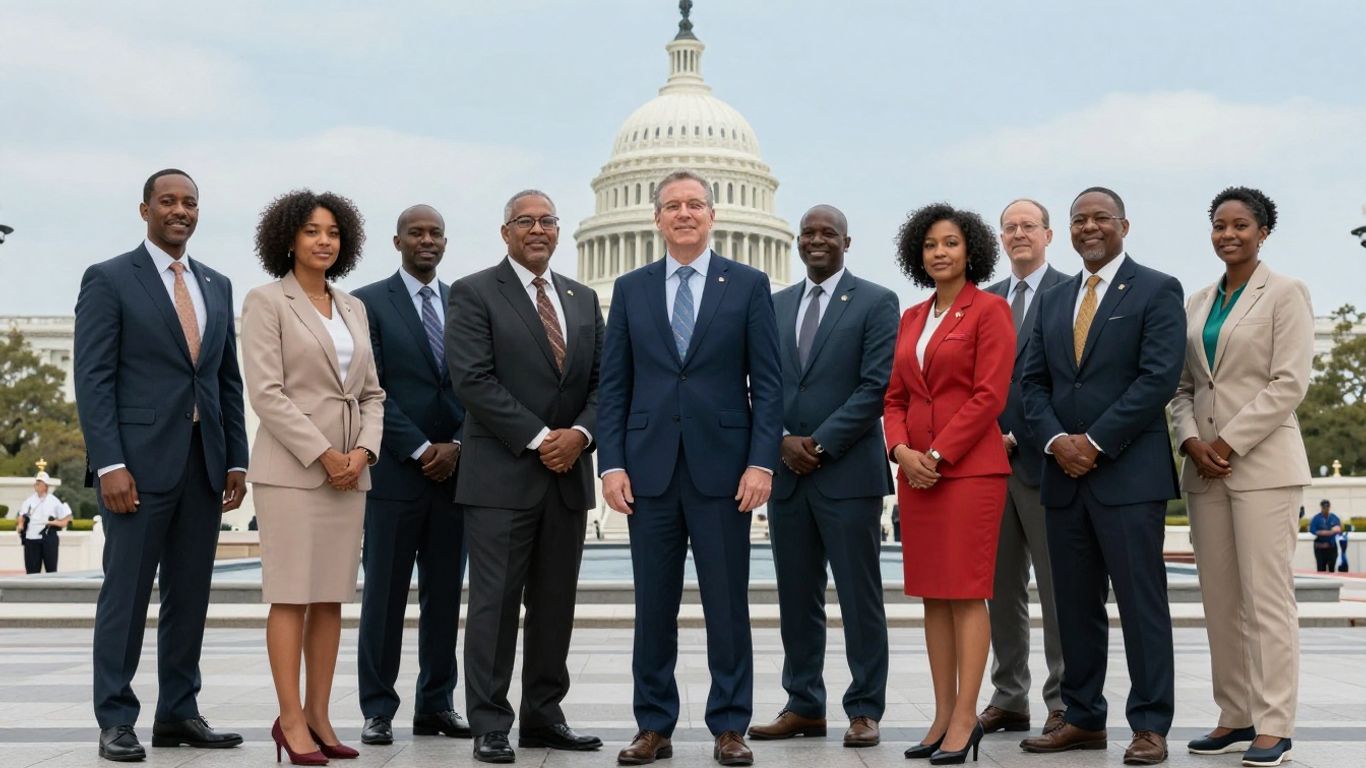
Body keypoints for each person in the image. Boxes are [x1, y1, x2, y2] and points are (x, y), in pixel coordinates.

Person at [600, 169, 782, 767]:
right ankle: (653, 726)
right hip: (648, 472)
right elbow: (615, 386)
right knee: (653, 607)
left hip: (725, 472)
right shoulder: (631, 288)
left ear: (713, 214)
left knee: (727, 604)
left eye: (694, 204)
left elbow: (768, 385)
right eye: (673, 205)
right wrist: (611, 465)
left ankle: (731, 726)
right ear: (656, 218)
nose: (684, 214)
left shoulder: (749, 285)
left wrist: (761, 462)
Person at [74, 168, 250, 762]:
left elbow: (226, 378)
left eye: (190, 202)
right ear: (145, 209)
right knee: (125, 594)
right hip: (136, 469)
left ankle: (178, 712)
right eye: (169, 201)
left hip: (204, 465)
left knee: (190, 596)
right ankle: (115, 718)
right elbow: (93, 380)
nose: (181, 210)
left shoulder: (216, 283)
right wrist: (109, 464)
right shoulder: (109, 279)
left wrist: (236, 460)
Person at [1019, 187, 1185, 766]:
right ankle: (1083, 716)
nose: (1089, 228)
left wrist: (1093, 441)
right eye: (1078, 220)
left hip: (1128, 477)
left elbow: (1158, 378)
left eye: (1100, 219)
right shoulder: (1055, 297)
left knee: (1141, 604)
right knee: (1073, 605)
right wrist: (1056, 441)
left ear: (1124, 225)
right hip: (1062, 475)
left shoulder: (1158, 289)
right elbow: (1032, 382)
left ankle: (1149, 724)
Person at [445, 189, 605, 764]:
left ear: (559, 231)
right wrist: (542, 439)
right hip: (502, 476)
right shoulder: (474, 292)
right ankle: (490, 721)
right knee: (494, 604)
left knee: (554, 604)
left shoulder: (582, 299)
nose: (537, 229)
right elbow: (472, 380)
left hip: (567, 479)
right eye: (525, 221)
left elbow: (601, 386)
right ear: (505, 231)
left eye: (547, 221)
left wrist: (580, 436)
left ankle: (544, 715)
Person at [241, 189, 384, 766]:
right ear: (287, 239)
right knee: (290, 597)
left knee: (331, 599)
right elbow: (267, 394)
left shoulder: (353, 307)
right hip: (294, 471)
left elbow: (373, 392)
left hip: (351, 473)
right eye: (311, 231)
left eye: (332, 232)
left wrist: (364, 453)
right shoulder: (266, 301)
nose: (324, 241)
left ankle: (321, 714)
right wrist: (325, 453)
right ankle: (290, 719)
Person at [1171, 186, 1313, 768]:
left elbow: (1289, 382)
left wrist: (1226, 442)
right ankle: (1235, 714)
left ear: (1263, 232)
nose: (1228, 234)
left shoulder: (1286, 293)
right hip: (1204, 470)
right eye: (1219, 225)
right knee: (1220, 599)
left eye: (1240, 225)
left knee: (1267, 600)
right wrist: (1190, 442)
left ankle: (1274, 723)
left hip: (1262, 467)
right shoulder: (1199, 301)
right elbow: (1182, 390)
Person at [748, 205, 898, 748]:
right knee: (796, 597)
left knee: (860, 597)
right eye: (808, 233)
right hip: (787, 474)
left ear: (846, 242)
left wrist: (821, 442)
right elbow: (759, 383)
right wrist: (781, 439)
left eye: (827, 234)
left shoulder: (877, 302)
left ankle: (864, 708)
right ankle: (804, 703)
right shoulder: (774, 304)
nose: (816, 241)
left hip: (849, 474)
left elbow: (874, 386)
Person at [884, 203, 1014, 765]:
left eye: (951, 243)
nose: (940, 252)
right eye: (931, 244)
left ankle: (966, 717)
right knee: (932, 596)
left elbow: (990, 395)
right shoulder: (912, 316)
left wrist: (935, 454)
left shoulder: (990, 311)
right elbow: (894, 398)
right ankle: (941, 715)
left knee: (966, 593)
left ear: (972, 251)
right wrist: (901, 451)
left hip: (968, 471)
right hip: (916, 473)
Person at [353, 205, 470, 746]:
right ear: (396, 240)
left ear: (445, 242)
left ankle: (436, 704)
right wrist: (422, 447)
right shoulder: (368, 303)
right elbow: (369, 386)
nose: (427, 241)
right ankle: (378, 708)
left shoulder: (464, 302)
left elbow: (478, 382)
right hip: (398, 475)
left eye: (436, 233)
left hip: (458, 475)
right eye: (417, 233)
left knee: (445, 597)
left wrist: (461, 445)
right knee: (385, 597)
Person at [978, 199, 1068, 738]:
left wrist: (1026, 434)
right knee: (999, 588)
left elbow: (1069, 380)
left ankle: (1063, 698)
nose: (1018, 235)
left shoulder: (1070, 294)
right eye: (1009, 228)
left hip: (1045, 462)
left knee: (1059, 589)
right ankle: (1009, 695)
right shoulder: (983, 301)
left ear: (1048, 235)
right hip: (988, 466)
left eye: (1028, 226)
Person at [16, 471, 72, 573]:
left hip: (49, 538)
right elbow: (21, 516)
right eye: (36, 483)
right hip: (31, 539)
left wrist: (52, 523)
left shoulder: (54, 501)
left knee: (51, 570)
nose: (36, 485)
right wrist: (20, 524)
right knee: (31, 571)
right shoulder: (29, 501)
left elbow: (66, 520)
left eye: (39, 483)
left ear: (45, 486)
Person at [1309, 500, 1342, 573]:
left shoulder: (1334, 517)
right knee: (1321, 569)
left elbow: (1338, 529)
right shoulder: (1317, 518)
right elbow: (1314, 531)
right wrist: (1330, 532)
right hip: (1320, 548)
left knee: (1332, 568)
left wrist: (1326, 532)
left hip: (1331, 547)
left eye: (1327, 507)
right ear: (1321, 507)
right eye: (1324, 507)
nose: (1326, 509)